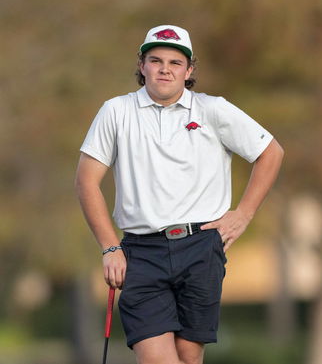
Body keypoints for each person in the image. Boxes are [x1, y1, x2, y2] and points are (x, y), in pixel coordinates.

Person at [75, 24, 284, 364]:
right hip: (140, 252)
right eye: (155, 60)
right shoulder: (116, 111)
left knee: (189, 357)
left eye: (175, 63)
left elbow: (270, 152)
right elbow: (86, 181)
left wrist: (243, 214)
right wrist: (109, 247)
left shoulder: (212, 110)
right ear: (142, 66)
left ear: (189, 71)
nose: (164, 69)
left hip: (201, 247)